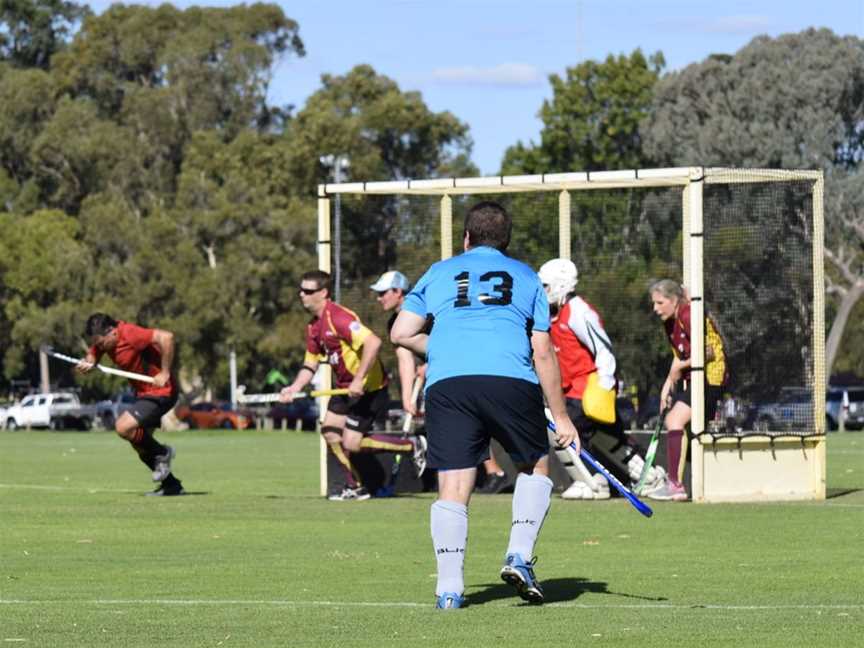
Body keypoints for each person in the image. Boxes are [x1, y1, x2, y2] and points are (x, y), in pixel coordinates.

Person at [391, 201, 578, 609]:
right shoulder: (527, 277)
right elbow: (543, 351)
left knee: (453, 486)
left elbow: (401, 333)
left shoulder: (439, 272)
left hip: (449, 384)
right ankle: (519, 555)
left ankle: (449, 591)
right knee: (535, 465)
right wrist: (562, 417)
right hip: (510, 378)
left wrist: (438, 349)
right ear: (506, 242)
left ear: (466, 238)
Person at [280, 270, 425, 502]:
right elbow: (310, 364)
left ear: (323, 293)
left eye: (308, 291)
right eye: (301, 290)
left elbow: (373, 342)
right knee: (329, 432)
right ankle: (354, 486)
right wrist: (294, 387)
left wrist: (359, 380)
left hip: (369, 388)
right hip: (345, 388)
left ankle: (410, 445)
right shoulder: (313, 327)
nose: (302, 295)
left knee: (351, 443)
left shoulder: (338, 317)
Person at [537, 259, 668, 501]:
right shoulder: (549, 313)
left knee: (564, 429)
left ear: (560, 285)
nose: (542, 291)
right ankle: (651, 478)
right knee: (610, 437)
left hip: (588, 387)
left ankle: (592, 483)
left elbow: (603, 349)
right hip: (570, 389)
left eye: (545, 285)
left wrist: (606, 385)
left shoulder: (579, 311)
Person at [76, 313, 184, 496]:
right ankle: (171, 485)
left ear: (112, 332)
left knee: (123, 427)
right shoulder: (105, 341)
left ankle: (163, 452)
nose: (100, 346)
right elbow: (94, 352)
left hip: (162, 391)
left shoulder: (130, 333)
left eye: (101, 342)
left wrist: (165, 372)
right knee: (139, 444)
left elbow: (167, 337)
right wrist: (89, 361)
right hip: (145, 394)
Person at [649, 279, 728, 501]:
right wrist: (668, 385)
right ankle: (677, 483)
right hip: (695, 377)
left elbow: (709, 352)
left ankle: (675, 485)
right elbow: (679, 357)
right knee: (680, 424)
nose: (655, 309)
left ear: (674, 300)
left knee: (674, 420)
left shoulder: (687, 314)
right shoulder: (669, 322)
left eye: (659, 302)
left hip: (712, 377)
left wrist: (679, 370)